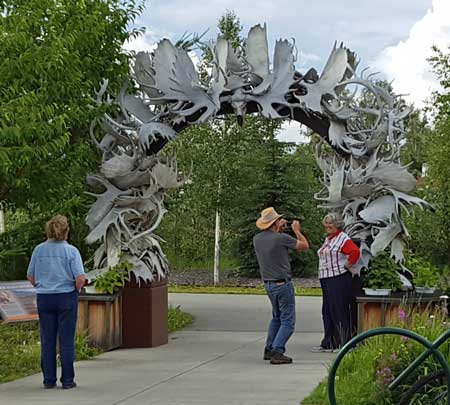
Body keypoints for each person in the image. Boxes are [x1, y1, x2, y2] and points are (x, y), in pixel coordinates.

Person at [27, 215, 86, 389]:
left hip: (45, 297)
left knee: (48, 339)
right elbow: (80, 278)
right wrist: (76, 288)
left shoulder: (39, 250)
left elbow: (30, 275)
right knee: (66, 340)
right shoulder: (71, 251)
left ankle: (48, 379)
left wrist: (42, 285)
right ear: (66, 231)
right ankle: (67, 380)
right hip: (66, 296)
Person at [253, 207, 309, 365]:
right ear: (274, 223)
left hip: (269, 284)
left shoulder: (257, 239)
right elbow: (304, 245)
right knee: (288, 321)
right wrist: (296, 230)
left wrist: (279, 229)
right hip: (282, 284)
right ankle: (278, 350)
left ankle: (269, 348)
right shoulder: (281, 238)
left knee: (276, 318)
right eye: (279, 220)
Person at [311, 212, 360, 353]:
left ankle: (343, 342)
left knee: (339, 309)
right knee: (327, 310)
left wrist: (348, 265)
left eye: (330, 223)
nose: (327, 226)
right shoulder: (329, 239)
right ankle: (329, 342)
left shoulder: (343, 238)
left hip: (338, 278)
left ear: (337, 224)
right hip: (326, 278)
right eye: (326, 223)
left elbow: (355, 252)